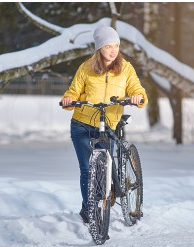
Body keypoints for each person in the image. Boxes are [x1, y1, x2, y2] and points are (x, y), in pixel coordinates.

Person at [61, 26, 148, 223]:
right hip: (82, 123)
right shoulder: (86, 68)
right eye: (108, 46)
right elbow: (73, 92)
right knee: (87, 169)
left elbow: (138, 89)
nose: (113, 50)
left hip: (108, 124)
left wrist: (137, 97)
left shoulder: (125, 68)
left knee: (104, 168)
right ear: (99, 48)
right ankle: (89, 209)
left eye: (116, 45)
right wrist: (68, 100)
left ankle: (108, 195)